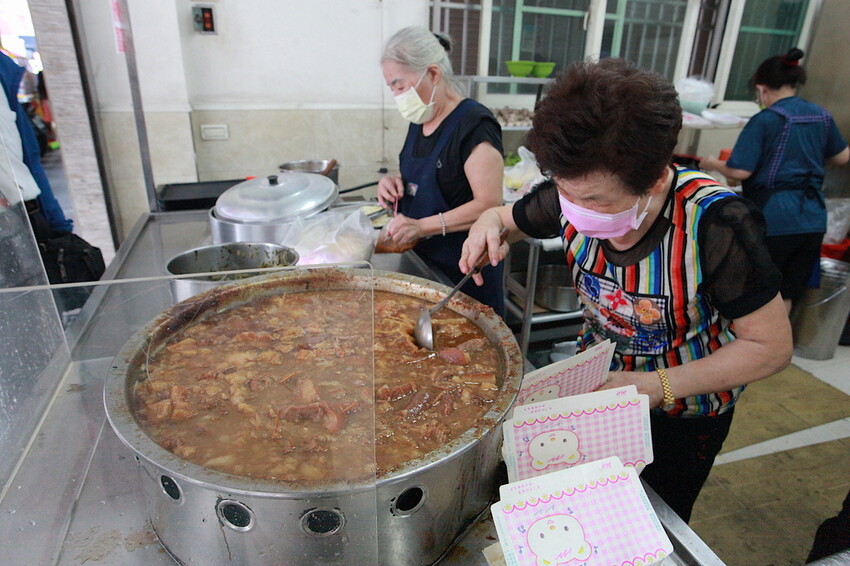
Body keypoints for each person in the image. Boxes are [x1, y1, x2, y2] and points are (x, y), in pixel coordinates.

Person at [459, 58, 793, 522]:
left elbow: (771, 346)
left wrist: (652, 387)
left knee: (650, 521)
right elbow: (504, 216)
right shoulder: (568, 190)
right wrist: (486, 224)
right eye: (565, 193)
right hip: (593, 391)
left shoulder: (716, 224)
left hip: (682, 416)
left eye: (594, 201)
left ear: (656, 178)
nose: (574, 210)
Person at [701, 48, 850, 313]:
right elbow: (842, 157)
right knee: (788, 291)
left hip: (775, 218)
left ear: (761, 89)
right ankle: (776, 350)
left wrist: (710, 164)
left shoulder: (766, 119)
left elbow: (740, 171)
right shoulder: (822, 115)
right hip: (813, 218)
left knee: (757, 290)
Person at [377, 27, 505, 317]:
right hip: (424, 268)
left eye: (400, 86)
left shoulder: (474, 124)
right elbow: (419, 181)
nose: (397, 96)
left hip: (464, 274)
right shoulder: (420, 120)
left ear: (433, 74)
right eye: (392, 88)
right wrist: (394, 184)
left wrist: (421, 227)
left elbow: (489, 205)